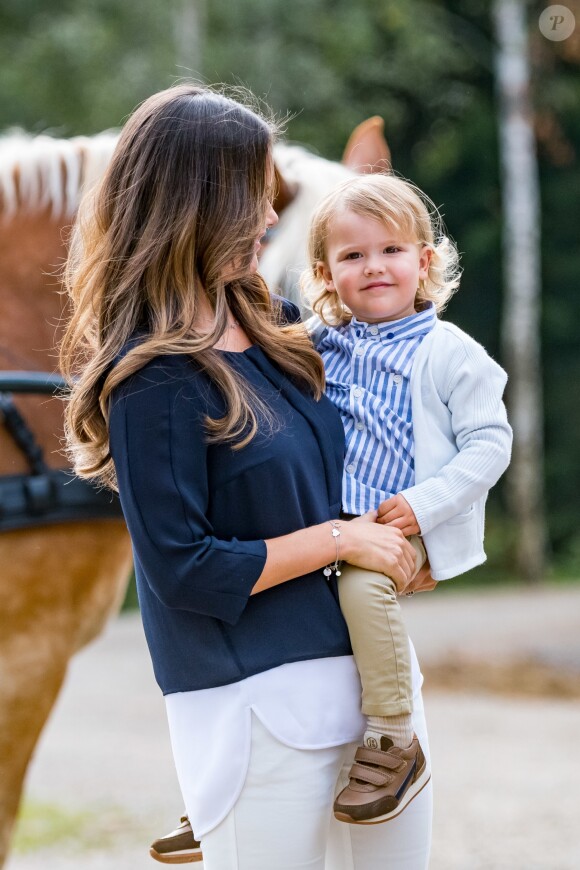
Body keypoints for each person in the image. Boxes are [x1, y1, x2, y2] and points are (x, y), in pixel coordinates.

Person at [59, 84, 436, 870]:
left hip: (374, 706)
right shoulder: (153, 383)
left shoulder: (287, 328)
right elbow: (184, 570)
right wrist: (340, 538)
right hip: (255, 709)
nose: (271, 216)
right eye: (253, 195)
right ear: (196, 203)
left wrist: (408, 533)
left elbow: (371, 451)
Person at [299, 172, 512, 824]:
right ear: (326, 273)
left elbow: (489, 444)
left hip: (404, 518)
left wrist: (425, 504)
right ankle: (255, 765)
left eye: (391, 251)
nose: (374, 267)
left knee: (363, 587)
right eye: (353, 255)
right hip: (330, 517)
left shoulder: (452, 354)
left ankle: (393, 736)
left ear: (423, 262)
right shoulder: (317, 344)